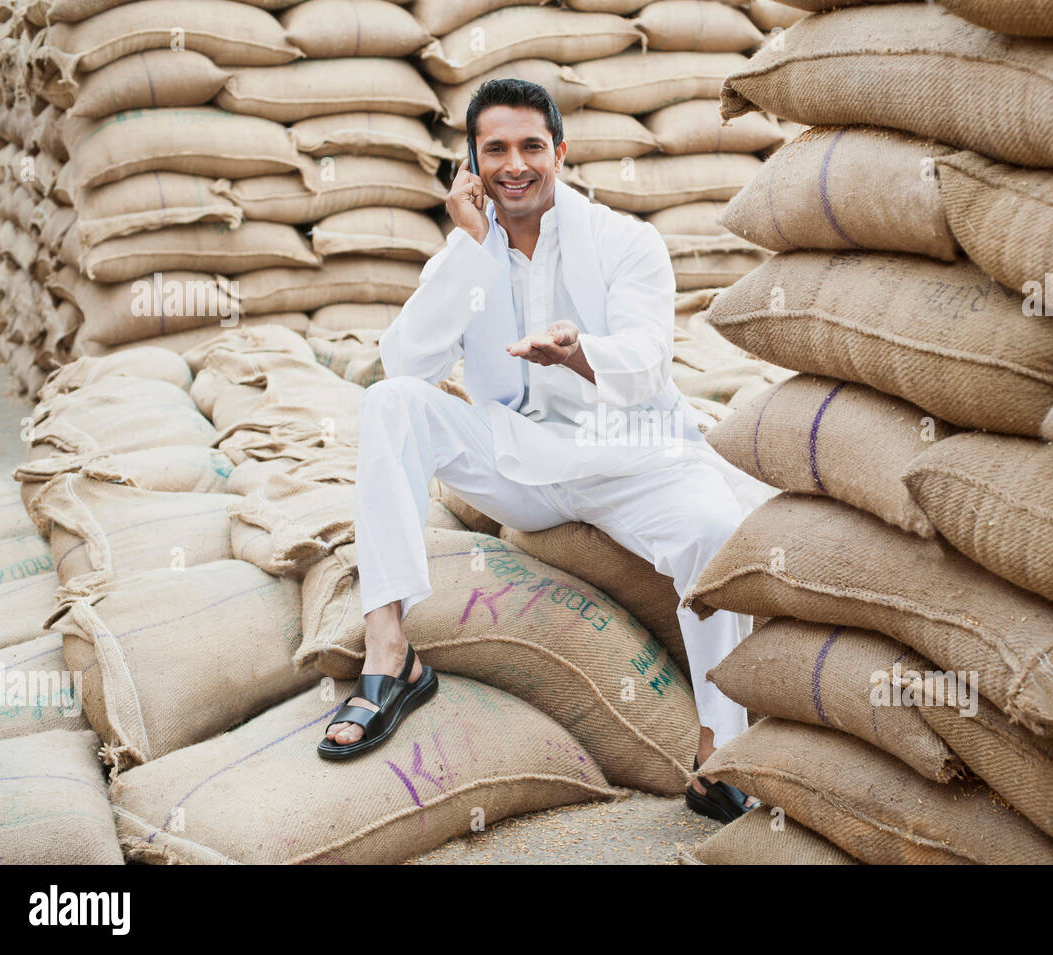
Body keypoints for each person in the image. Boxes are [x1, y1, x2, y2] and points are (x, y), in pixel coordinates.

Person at [316, 78, 778, 823]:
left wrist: (578, 353)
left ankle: (718, 756)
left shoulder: (627, 241)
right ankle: (390, 653)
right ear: (471, 163)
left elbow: (647, 359)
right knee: (389, 402)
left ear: (560, 152)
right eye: (494, 148)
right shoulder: (468, 255)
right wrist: (468, 249)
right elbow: (407, 363)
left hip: (631, 457)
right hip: (519, 461)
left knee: (715, 534)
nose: (514, 164)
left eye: (531, 145)